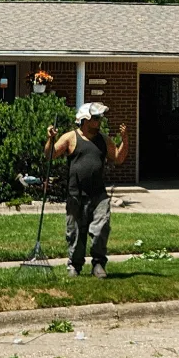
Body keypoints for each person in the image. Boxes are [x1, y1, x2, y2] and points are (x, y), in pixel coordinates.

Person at [45, 102, 128, 278]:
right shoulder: (70, 137)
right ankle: (74, 266)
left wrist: (125, 140)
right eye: (95, 118)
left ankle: (98, 264)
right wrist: (51, 139)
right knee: (75, 233)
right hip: (75, 194)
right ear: (85, 120)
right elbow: (50, 154)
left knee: (101, 229)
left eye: (99, 118)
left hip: (99, 195)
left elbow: (118, 158)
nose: (99, 122)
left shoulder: (103, 139)